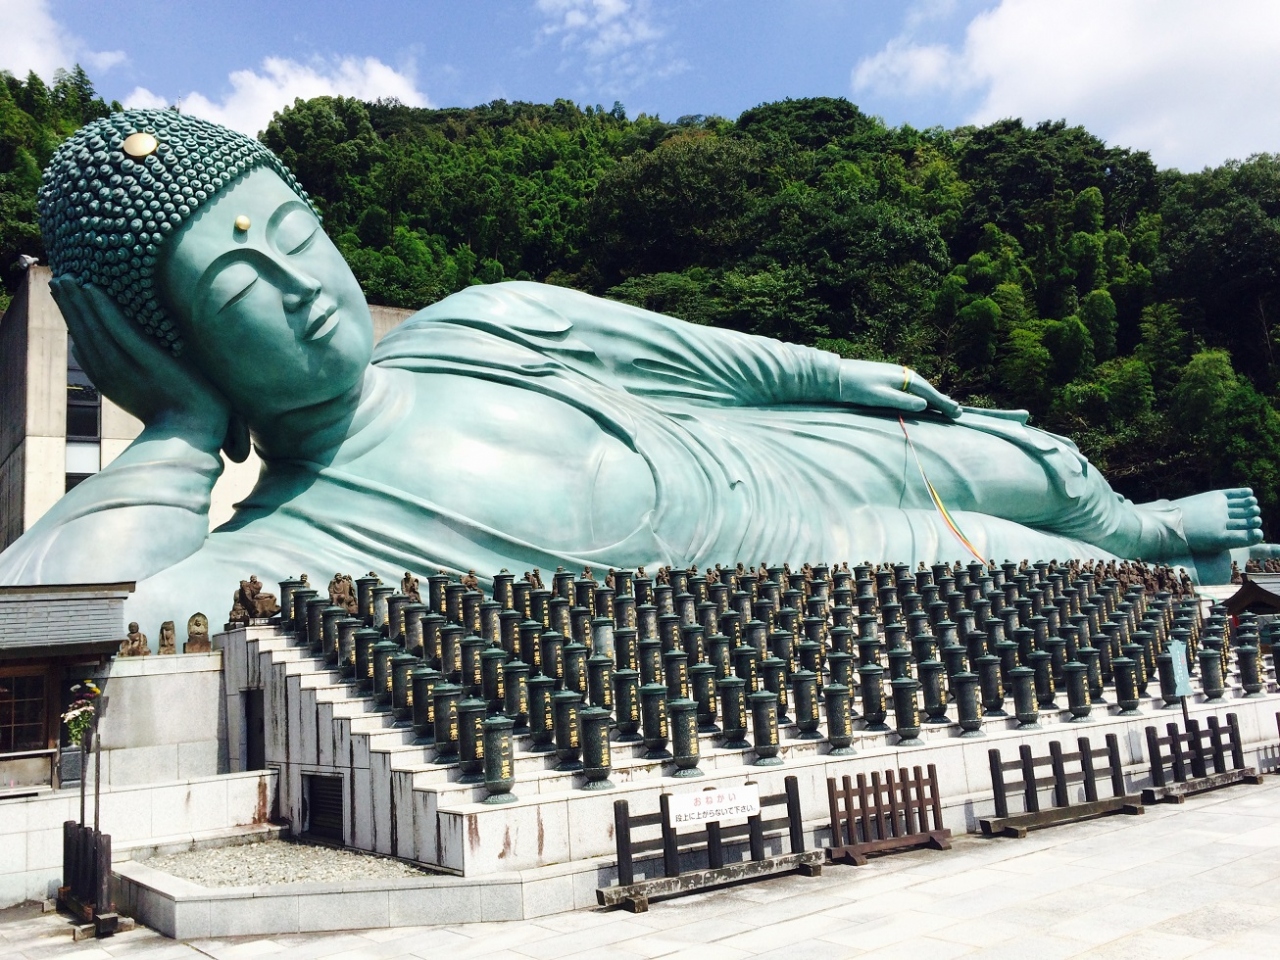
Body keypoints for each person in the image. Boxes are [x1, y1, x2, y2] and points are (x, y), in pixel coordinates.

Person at [0, 110, 1268, 629]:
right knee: (1071, 583)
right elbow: (57, 624)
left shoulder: (483, 319)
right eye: (234, 292)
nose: (297, 291)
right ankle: (1162, 564)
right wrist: (171, 430)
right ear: (163, 341)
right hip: (811, 572)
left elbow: (699, 355)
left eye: (295, 238)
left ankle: (1148, 519)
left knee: (1022, 459)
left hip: (772, 450)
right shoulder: (288, 539)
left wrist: (835, 369)